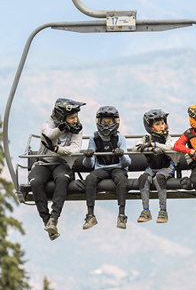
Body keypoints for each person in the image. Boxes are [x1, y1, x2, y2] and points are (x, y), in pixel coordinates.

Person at [29, 98, 85, 241]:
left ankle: (54, 218)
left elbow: (75, 149)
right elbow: (49, 135)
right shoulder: (48, 125)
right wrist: (62, 128)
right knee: (35, 182)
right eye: (71, 118)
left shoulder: (77, 130)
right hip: (43, 163)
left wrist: (57, 149)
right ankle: (46, 221)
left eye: (76, 117)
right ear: (62, 117)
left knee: (62, 179)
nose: (75, 121)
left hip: (62, 164)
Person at [83, 106, 131, 230]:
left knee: (121, 179)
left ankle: (121, 215)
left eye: (109, 122)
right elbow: (89, 165)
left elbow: (127, 163)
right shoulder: (94, 138)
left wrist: (121, 155)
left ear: (115, 122)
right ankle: (90, 215)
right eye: (103, 121)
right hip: (101, 168)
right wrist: (88, 157)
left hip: (118, 167)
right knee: (90, 178)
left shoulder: (120, 138)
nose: (106, 125)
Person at [135, 109, 175, 224]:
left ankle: (163, 211)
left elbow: (168, 147)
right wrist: (149, 147)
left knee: (159, 178)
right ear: (150, 126)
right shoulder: (146, 139)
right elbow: (135, 148)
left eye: (163, 123)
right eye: (158, 124)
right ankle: (146, 210)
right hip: (152, 168)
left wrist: (156, 145)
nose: (162, 126)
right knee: (143, 179)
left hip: (166, 168)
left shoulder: (167, 137)